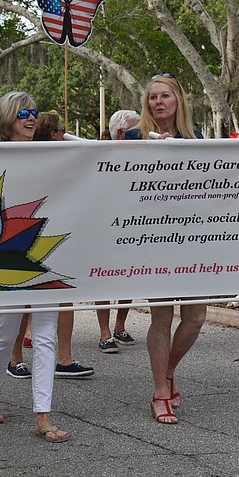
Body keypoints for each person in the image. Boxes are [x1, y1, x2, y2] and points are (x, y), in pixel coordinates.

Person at [0, 91, 69, 442]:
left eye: (34, 112)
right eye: (22, 114)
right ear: (6, 119)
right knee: (6, 332)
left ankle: (43, 415)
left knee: (45, 335)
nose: (31, 118)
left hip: (47, 250)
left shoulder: (54, 155)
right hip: (5, 255)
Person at [124, 74, 204, 424]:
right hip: (151, 237)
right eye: (152, 97)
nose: (158, 102)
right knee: (162, 315)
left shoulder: (196, 138)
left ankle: (168, 370)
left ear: (178, 100)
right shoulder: (132, 138)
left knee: (196, 317)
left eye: (165, 96)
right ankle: (159, 392)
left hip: (191, 236)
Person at [32, 112, 94, 377]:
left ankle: (64, 359)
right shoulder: (31, 155)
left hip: (60, 229)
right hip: (37, 230)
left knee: (64, 294)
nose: (64, 132)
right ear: (51, 133)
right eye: (60, 129)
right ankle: (16, 359)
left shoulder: (66, 152)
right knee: (28, 300)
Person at [96, 110, 142, 353]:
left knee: (128, 277)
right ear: (122, 133)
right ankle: (104, 333)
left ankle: (120, 326)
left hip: (133, 226)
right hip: (106, 227)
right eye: (138, 131)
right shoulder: (101, 156)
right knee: (103, 280)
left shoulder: (143, 157)